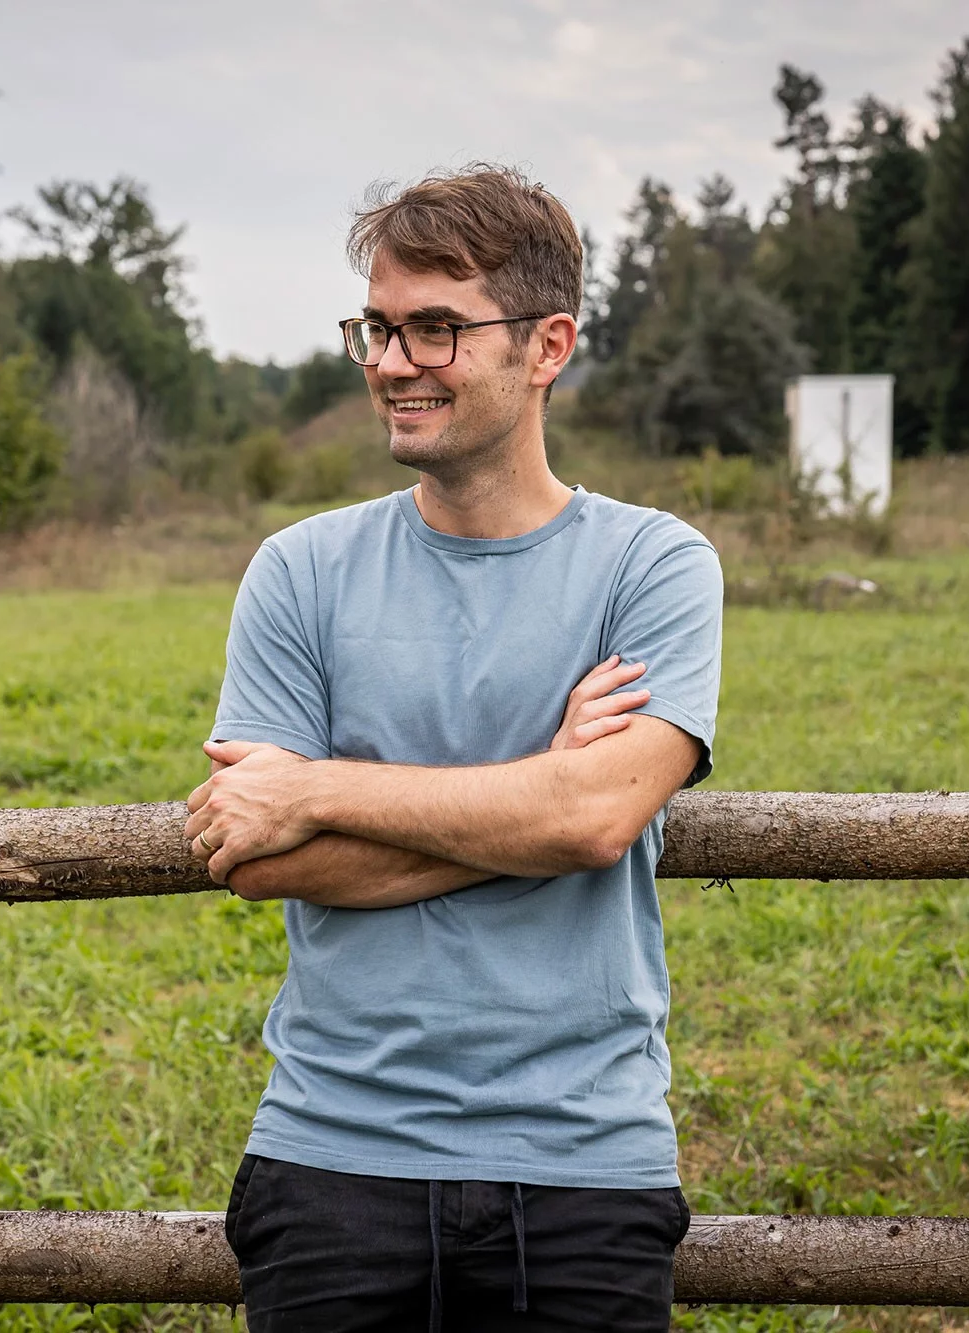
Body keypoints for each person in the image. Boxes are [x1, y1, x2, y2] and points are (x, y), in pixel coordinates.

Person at [184, 165, 723, 1332]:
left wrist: (324, 789)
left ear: (546, 347)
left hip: (582, 1161)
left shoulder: (654, 565)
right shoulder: (300, 569)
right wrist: (543, 789)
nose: (390, 362)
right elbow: (262, 851)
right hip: (334, 1155)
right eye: (376, 328)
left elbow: (592, 821)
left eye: (436, 329)